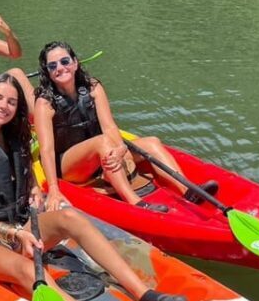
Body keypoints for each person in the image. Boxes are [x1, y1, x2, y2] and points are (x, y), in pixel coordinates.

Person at [0, 72, 189, 301]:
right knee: (26, 269)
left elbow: (25, 176)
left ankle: (144, 294)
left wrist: (35, 190)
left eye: (11, 102)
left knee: (70, 217)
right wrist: (15, 233)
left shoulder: (14, 136)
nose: (4, 106)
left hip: (19, 226)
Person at [34, 41, 218, 213]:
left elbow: (110, 127)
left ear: (75, 63)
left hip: (101, 153)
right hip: (69, 166)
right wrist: (54, 189)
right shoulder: (45, 104)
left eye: (64, 61)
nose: (60, 68)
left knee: (152, 143)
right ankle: (134, 202)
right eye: (52, 66)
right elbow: (47, 150)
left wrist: (121, 148)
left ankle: (188, 190)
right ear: (48, 72)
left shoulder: (93, 87)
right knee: (102, 142)